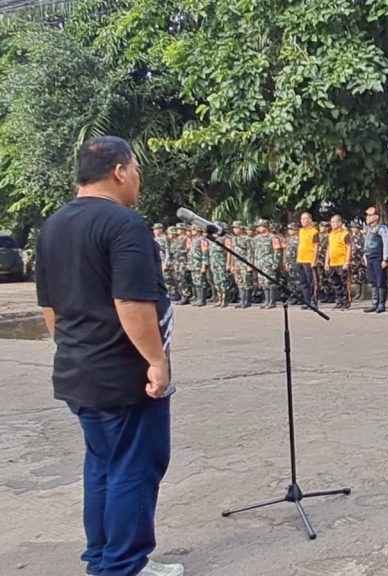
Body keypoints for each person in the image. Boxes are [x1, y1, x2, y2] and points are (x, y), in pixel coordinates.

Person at [35, 136, 182, 576]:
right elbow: (132, 302)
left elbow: (50, 307)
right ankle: (123, 566)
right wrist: (156, 361)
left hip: (79, 371)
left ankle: (103, 558)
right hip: (122, 376)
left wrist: (76, 350)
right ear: (119, 171)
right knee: (134, 469)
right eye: (135, 169)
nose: (137, 178)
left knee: (103, 466)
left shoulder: (55, 224)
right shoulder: (123, 224)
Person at [363, 206, 388, 314]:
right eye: (367, 215)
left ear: (376, 216)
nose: (368, 217)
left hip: (378, 257)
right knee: (373, 281)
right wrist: (364, 256)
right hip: (369, 257)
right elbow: (365, 244)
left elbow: (386, 243)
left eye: (370, 215)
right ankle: (374, 303)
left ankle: (381, 304)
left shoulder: (382, 228)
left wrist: (385, 258)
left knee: (380, 281)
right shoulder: (368, 229)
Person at [253, 219, 282, 309]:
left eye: (261, 226)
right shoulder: (256, 238)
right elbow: (255, 251)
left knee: (270, 282)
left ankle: (272, 301)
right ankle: (266, 300)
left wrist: (275, 263)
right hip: (260, 263)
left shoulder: (272, 237)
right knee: (262, 283)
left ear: (266, 227)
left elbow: (277, 251)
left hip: (269, 262)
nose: (259, 228)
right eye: (258, 226)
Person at [325, 215, 352, 310]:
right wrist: (326, 262)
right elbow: (328, 249)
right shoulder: (331, 234)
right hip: (333, 263)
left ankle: (346, 302)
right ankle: (339, 301)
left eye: (335, 222)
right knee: (335, 283)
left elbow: (349, 248)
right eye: (331, 222)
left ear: (340, 223)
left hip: (342, 262)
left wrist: (347, 262)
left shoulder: (345, 234)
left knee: (344, 283)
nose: (333, 224)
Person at [227, 221, 254, 309]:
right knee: (239, 282)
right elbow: (231, 252)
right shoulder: (233, 239)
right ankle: (242, 300)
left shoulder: (247, 239)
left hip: (245, 263)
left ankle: (247, 301)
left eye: (237, 228)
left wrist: (250, 264)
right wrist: (231, 264)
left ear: (241, 228)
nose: (235, 230)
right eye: (234, 228)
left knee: (246, 281)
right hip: (236, 263)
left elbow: (250, 252)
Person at [295, 212, 319, 309]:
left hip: (309, 260)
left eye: (305, 219)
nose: (303, 221)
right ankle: (307, 301)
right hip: (300, 259)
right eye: (301, 219)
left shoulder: (314, 232)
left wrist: (314, 260)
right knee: (303, 282)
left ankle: (314, 302)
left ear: (310, 220)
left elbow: (316, 247)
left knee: (312, 282)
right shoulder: (300, 231)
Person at [207, 222, 231, 307]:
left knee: (223, 282)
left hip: (222, 263)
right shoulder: (212, 238)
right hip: (214, 263)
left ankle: (225, 300)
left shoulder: (225, 238)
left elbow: (229, 252)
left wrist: (228, 264)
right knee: (216, 282)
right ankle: (219, 299)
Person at [187, 224, 208, 306]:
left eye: (193, 230)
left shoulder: (202, 240)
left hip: (199, 263)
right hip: (193, 264)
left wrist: (204, 265)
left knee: (201, 282)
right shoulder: (193, 240)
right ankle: (198, 298)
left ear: (198, 231)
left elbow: (204, 253)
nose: (192, 231)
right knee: (196, 282)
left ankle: (202, 300)